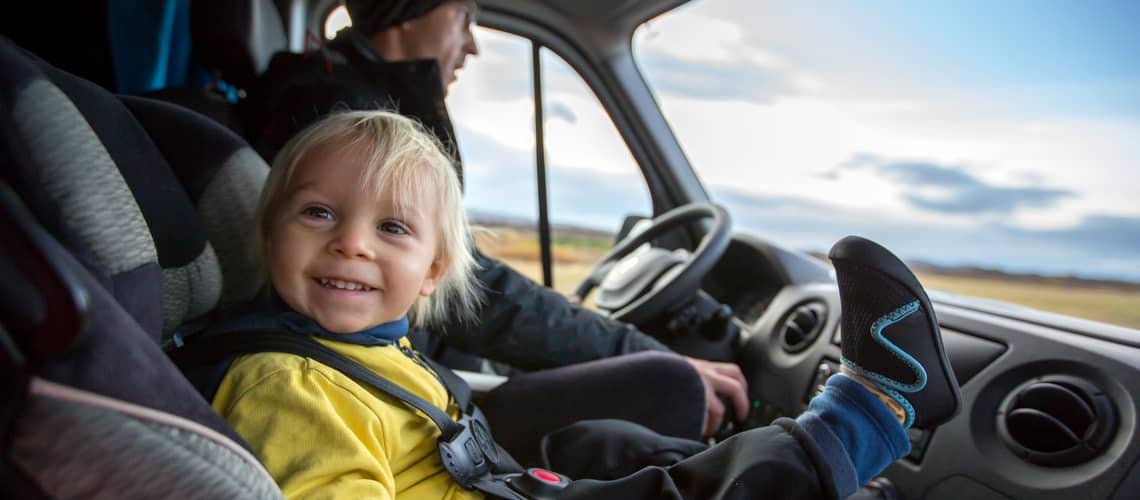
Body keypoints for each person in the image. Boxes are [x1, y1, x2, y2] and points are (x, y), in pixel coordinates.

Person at [209, 110, 962, 499]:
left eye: (392, 228)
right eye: (317, 214)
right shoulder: (289, 384)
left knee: (613, 447)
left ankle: (825, 477)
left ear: (434, 271)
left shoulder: (371, 349)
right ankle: (874, 413)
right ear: (268, 234)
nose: (352, 245)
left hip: (493, 480)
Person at [241, 0, 750, 452]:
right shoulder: (345, 121)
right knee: (669, 386)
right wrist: (651, 354)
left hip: (433, 376)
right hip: (426, 388)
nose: (472, 45)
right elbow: (480, 295)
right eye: (464, 16)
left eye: (392, 228)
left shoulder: (353, 96)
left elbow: (473, 286)